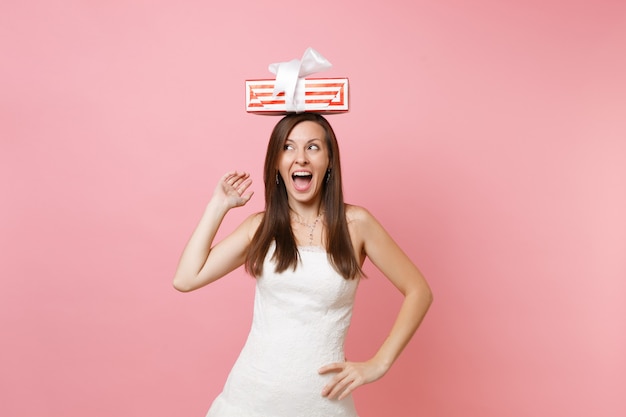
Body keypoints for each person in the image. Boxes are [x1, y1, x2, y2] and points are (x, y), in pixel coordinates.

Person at [173, 113, 433, 417]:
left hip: (323, 403)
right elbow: (186, 278)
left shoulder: (357, 224)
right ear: (275, 164)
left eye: (312, 147)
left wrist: (380, 363)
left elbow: (419, 290)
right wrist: (218, 206)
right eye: (288, 147)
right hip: (250, 399)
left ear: (330, 160)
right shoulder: (261, 226)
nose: (300, 159)